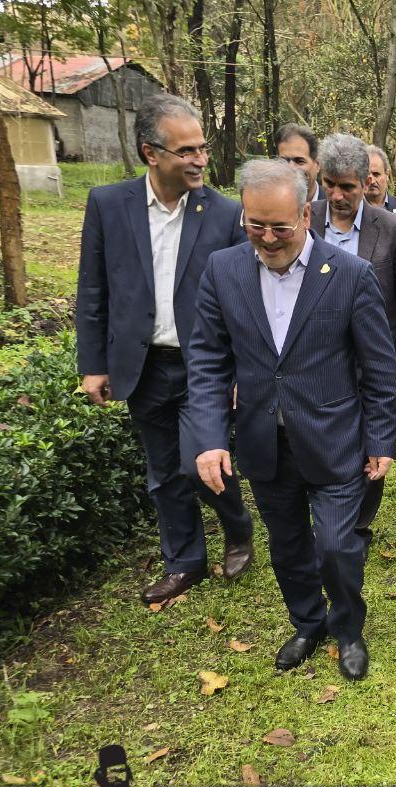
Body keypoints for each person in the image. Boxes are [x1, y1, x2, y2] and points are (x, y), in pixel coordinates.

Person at [188, 160, 396, 682]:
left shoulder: (350, 274)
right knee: (286, 545)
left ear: (307, 214)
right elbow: (208, 360)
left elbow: (379, 367)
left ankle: (347, 629)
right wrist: (210, 439)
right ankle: (308, 622)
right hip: (263, 441)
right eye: (255, 225)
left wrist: (381, 438)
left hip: (334, 439)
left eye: (280, 227)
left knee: (336, 546)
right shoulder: (223, 270)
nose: (267, 238)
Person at [75, 93, 255, 606]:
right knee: (164, 472)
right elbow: (93, 289)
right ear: (150, 153)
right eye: (186, 150)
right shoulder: (108, 205)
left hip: (205, 368)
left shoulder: (225, 214)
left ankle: (238, 527)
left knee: (202, 464)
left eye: (202, 148)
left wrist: (240, 371)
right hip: (142, 364)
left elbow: (242, 301)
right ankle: (185, 562)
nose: (200, 159)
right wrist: (93, 364)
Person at [312, 133, 396, 542]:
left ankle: (359, 522)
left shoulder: (394, 229)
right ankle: (326, 510)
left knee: (374, 436)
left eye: (347, 186)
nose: (337, 196)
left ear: (365, 182)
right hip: (316, 356)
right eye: (329, 185)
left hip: (374, 356)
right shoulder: (304, 218)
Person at [274, 122, 322, 202]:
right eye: (284, 161)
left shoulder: (333, 204)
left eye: (299, 161)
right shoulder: (267, 204)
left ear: (317, 165)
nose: (291, 168)